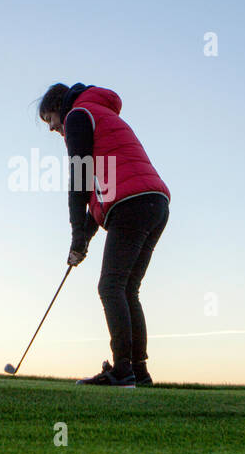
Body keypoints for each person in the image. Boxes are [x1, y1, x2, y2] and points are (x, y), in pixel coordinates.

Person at [37, 82, 170, 387]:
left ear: (59, 108)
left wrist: (77, 238)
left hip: (133, 204)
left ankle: (123, 371)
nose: (52, 128)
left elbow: (80, 179)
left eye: (49, 120)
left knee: (111, 287)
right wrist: (84, 238)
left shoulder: (79, 115)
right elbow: (102, 193)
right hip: (154, 203)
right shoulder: (99, 113)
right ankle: (138, 371)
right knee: (127, 289)